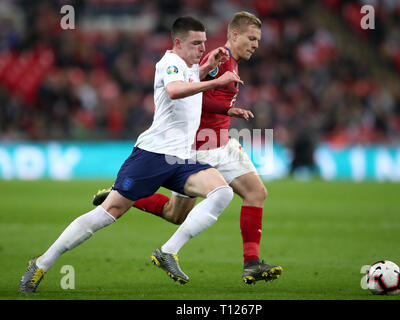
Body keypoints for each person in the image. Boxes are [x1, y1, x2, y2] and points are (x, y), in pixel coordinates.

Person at [20, 16, 243, 292]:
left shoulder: (188, 66)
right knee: (107, 213)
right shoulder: (170, 62)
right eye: (196, 43)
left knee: (220, 193)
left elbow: (188, 81)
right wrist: (216, 81)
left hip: (182, 158)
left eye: (204, 42)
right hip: (152, 155)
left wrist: (208, 67)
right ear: (178, 42)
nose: (202, 48)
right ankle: (41, 263)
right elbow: (175, 91)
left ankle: (167, 251)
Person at [93, 12, 282, 285]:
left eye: (258, 40)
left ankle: (251, 263)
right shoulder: (217, 62)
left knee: (256, 192)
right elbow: (195, 95)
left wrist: (227, 114)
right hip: (199, 146)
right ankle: (122, 194)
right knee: (175, 214)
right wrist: (229, 108)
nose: (255, 44)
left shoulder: (233, 63)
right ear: (235, 35)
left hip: (222, 143)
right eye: (251, 38)